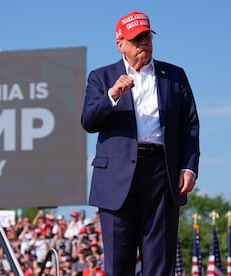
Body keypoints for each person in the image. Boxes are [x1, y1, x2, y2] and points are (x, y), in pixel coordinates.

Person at [81, 11, 199, 275]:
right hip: (116, 179)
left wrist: (189, 167)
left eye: (147, 36)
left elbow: (190, 125)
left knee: (160, 264)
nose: (144, 42)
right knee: (118, 264)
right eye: (136, 38)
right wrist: (112, 95)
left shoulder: (175, 76)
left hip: (162, 176)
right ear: (120, 43)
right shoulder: (101, 77)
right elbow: (88, 121)